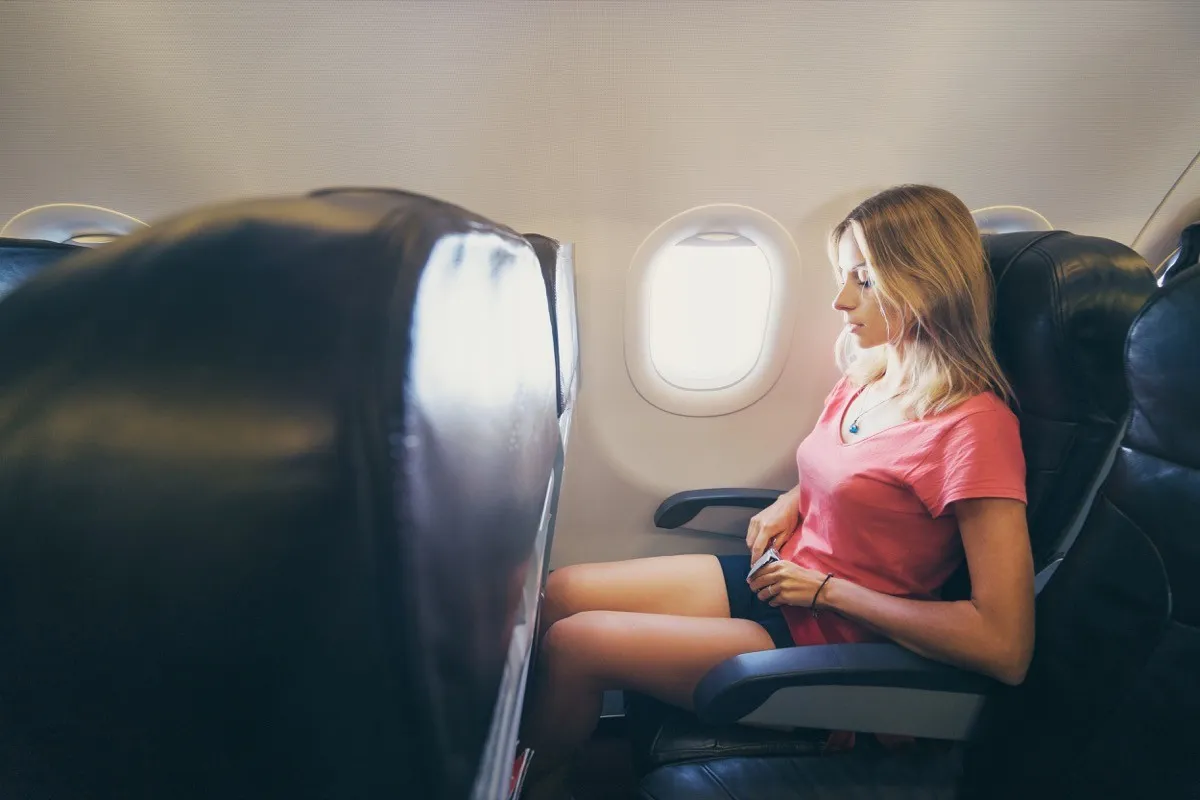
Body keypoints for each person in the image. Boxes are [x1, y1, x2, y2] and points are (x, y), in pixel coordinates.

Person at [518, 184, 1035, 800]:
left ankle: (532, 785)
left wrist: (828, 591)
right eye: (843, 275)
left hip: (838, 640)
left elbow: (1004, 645)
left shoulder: (975, 427)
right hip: (785, 580)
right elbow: (860, 472)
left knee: (577, 646)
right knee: (560, 593)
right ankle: (526, 745)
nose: (842, 301)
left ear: (929, 282)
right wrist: (792, 500)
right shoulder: (873, 373)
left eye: (865, 280)